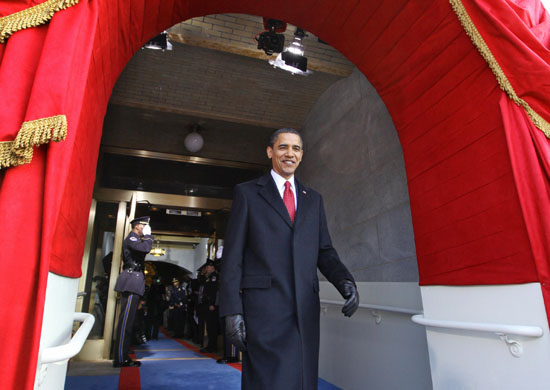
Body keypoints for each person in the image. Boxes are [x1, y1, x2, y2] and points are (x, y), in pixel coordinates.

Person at [219, 128, 360, 390]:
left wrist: (345, 281)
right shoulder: (248, 193)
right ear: (270, 151)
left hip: (304, 310)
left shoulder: (313, 199)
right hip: (264, 310)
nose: (290, 154)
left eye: (296, 149)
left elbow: (324, 250)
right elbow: (233, 256)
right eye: (283, 147)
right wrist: (231, 310)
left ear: (302, 155)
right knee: (268, 381)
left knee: (303, 380)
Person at [113, 216, 154, 368]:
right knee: (125, 323)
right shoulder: (132, 238)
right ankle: (120, 358)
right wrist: (149, 237)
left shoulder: (137, 239)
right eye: (145, 226)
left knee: (129, 322)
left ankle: (122, 355)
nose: (146, 229)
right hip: (131, 281)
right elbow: (145, 248)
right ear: (137, 226)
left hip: (135, 281)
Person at [199, 261, 219, 353]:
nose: (207, 268)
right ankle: (210, 345)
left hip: (211, 304)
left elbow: (213, 292)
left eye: (208, 267)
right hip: (206, 304)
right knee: (209, 327)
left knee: (212, 326)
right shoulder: (209, 277)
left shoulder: (214, 277)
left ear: (213, 267)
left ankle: (212, 346)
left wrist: (212, 304)